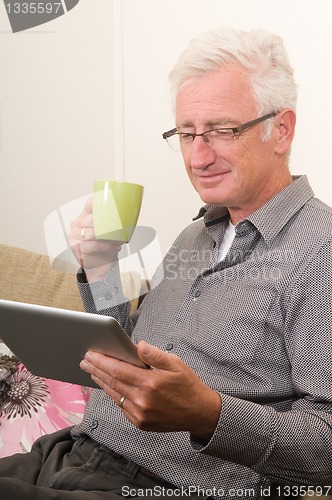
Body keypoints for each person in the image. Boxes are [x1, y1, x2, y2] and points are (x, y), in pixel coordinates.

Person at [0, 26, 331, 500]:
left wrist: (208, 414)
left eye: (220, 130)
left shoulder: (321, 251)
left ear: (281, 130)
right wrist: (101, 269)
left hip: (155, 485)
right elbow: (129, 358)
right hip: (70, 451)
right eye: (187, 133)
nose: (198, 156)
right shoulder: (194, 235)